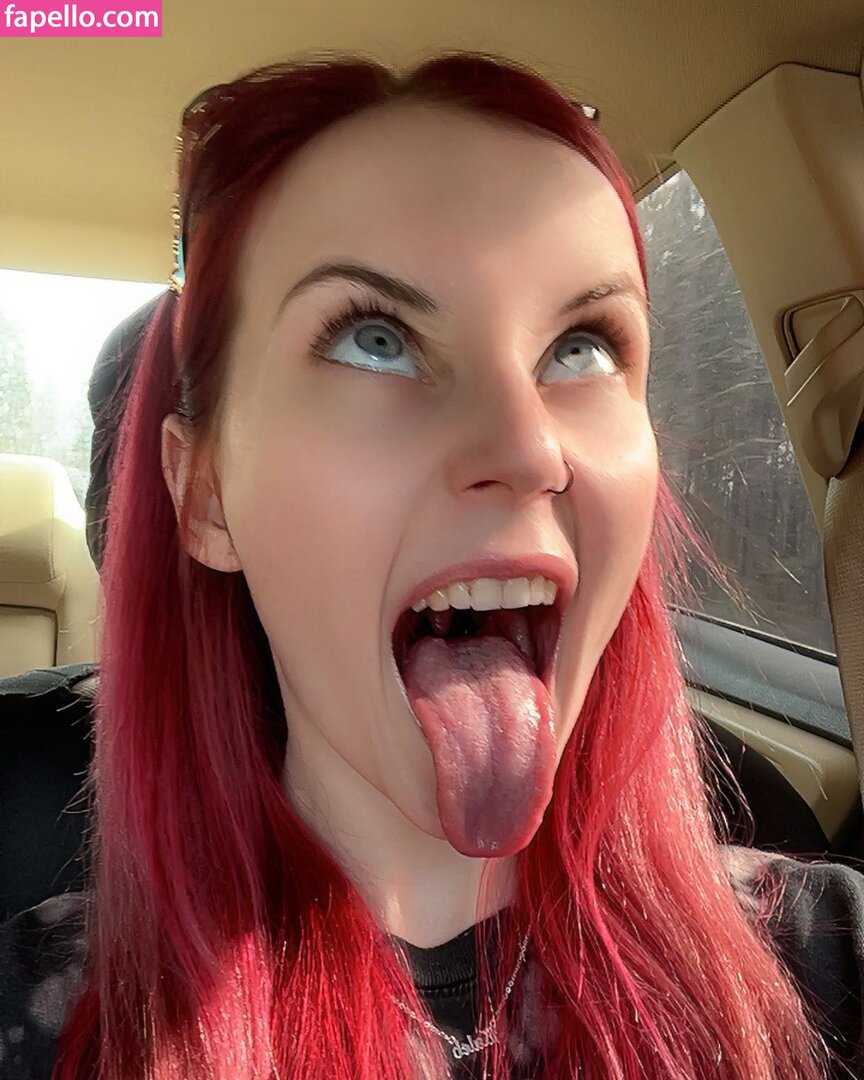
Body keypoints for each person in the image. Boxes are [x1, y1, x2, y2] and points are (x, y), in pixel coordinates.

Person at [2, 52, 864, 1080]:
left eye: (583, 346)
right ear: (208, 495)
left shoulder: (829, 961)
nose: (528, 448)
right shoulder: (54, 1025)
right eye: (374, 339)